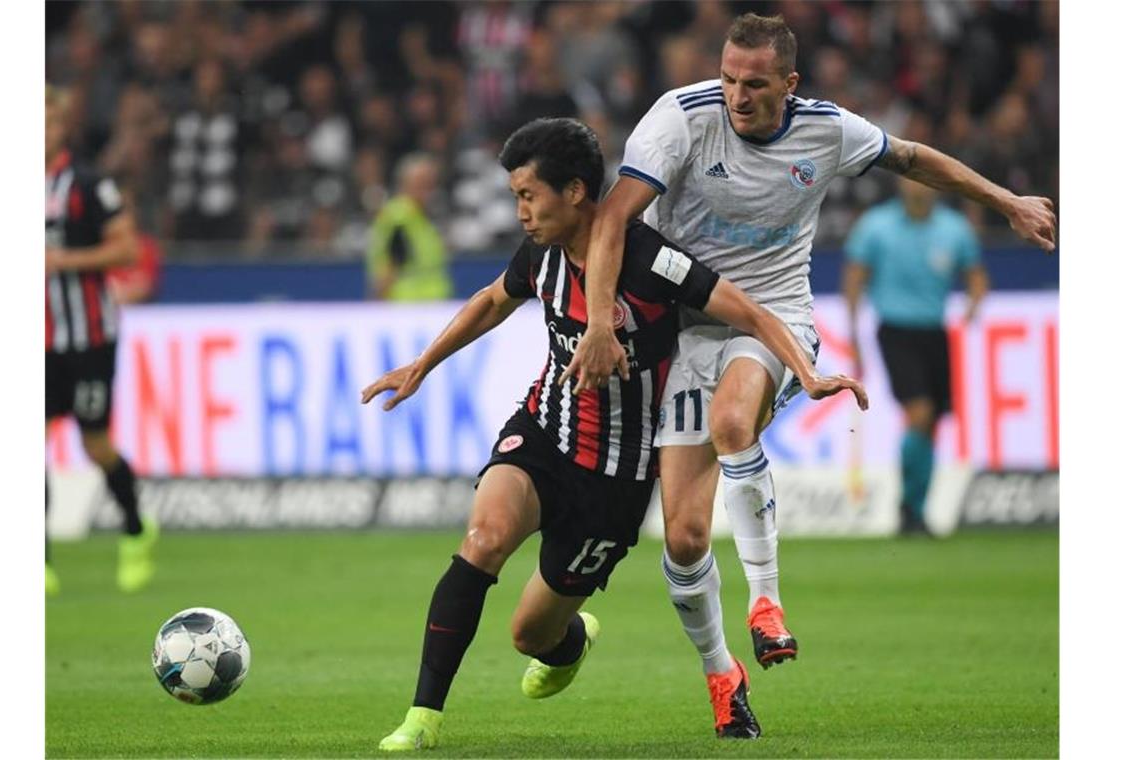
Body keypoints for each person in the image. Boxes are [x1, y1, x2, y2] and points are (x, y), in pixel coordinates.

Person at [560, 12, 1056, 733]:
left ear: (789, 85)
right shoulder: (680, 120)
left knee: (734, 421)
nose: (737, 94)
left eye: (755, 84)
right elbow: (611, 221)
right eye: (729, 78)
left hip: (776, 321)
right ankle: (722, 676)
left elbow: (915, 158)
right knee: (685, 538)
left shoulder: (827, 129)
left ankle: (766, 602)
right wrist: (601, 320)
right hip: (688, 329)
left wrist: (1006, 201)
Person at [362, 118, 867, 750]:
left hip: (618, 476)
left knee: (531, 635)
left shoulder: (652, 260)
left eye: (528, 195)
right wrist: (422, 364)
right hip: (546, 432)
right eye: (515, 196)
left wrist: (807, 373)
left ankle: (569, 643)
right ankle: (422, 718)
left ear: (575, 191)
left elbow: (747, 310)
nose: (519, 211)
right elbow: (493, 300)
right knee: (483, 538)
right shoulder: (539, 253)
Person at [45, 85, 159, 596]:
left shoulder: (87, 185)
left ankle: (135, 527)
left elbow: (127, 249)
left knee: (94, 444)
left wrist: (63, 261)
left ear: (63, 126)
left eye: (48, 119)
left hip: (88, 336)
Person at [843, 178, 988, 535]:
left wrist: (973, 301)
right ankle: (907, 504)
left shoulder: (954, 230)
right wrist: (853, 333)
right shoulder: (876, 226)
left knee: (932, 421)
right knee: (919, 412)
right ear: (901, 186)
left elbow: (976, 275)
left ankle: (917, 511)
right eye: (912, 181)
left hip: (934, 332)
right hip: (894, 330)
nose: (919, 188)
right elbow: (854, 278)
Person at [366, 152, 453, 301]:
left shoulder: (421, 216)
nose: (428, 190)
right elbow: (388, 269)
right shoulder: (400, 219)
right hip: (407, 308)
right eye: (421, 183)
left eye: (430, 183)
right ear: (404, 184)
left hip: (429, 307)